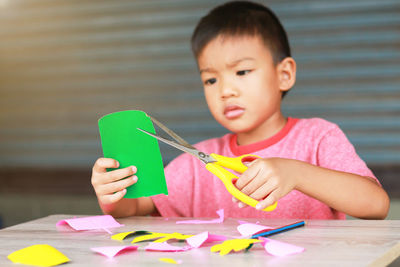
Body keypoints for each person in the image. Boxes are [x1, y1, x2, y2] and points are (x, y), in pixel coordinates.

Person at [91, 1, 389, 219]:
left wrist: (297, 173)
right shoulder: (195, 164)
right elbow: (135, 210)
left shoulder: (318, 137)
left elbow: (376, 206)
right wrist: (113, 194)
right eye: (210, 79)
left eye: (242, 72)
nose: (225, 90)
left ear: (284, 74)